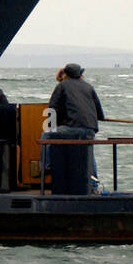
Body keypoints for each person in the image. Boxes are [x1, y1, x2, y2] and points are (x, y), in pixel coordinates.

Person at [46, 63, 106, 191]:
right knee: (88, 151)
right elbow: (100, 114)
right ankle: (94, 184)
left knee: (46, 135)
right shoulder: (89, 87)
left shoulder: (62, 85)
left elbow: (52, 109)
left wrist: (51, 127)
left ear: (65, 74)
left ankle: (46, 166)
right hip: (90, 129)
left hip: (73, 128)